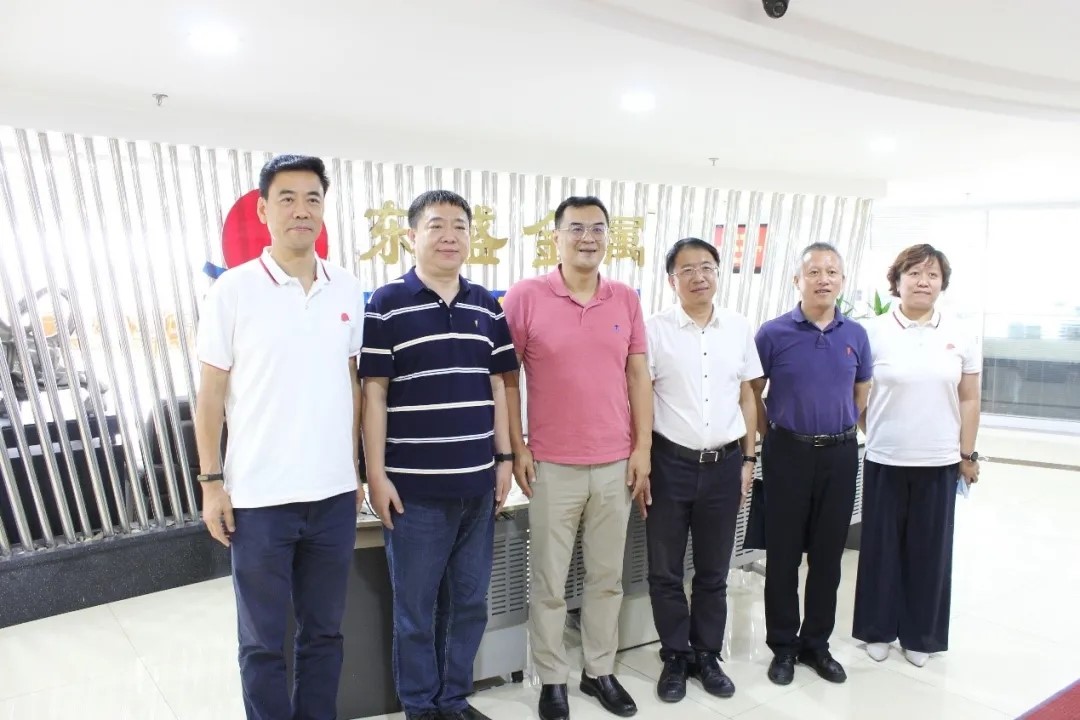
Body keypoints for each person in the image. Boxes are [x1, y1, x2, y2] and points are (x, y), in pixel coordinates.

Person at [194, 154, 366, 720]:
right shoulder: (233, 290)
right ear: (264, 210)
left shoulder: (346, 288)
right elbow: (210, 394)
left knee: (324, 635)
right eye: (287, 198)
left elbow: (351, 384)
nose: (301, 210)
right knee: (263, 643)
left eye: (313, 198)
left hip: (333, 497)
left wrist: (355, 470)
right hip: (259, 500)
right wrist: (212, 483)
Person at [360, 189, 518, 720]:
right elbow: (374, 394)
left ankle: (453, 699)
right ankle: (420, 706)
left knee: (469, 603)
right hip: (414, 493)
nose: (449, 236)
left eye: (459, 226)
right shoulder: (386, 304)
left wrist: (503, 460)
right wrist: (375, 474)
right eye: (436, 225)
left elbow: (498, 385)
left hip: (478, 487)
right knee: (416, 610)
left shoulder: (486, 305)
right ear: (412, 236)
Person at [502, 195, 651, 720]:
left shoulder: (624, 298)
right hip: (551, 465)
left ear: (609, 236)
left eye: (598, 228)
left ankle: (599, 670)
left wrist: (642, 448)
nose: (588, 238)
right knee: (548, 581)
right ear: (556, 237)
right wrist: (517, 447)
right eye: (576, 228)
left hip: (615, 464)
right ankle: (551, 678)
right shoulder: (525, 296)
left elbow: (638, 376)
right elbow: (506, 378)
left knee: (606, 577)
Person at [645, 238, 762, 703]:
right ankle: (675, 655)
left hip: (725, 465)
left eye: (708, 267)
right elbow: (639, 397)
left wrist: (749, 459)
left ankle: (707, 654)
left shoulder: (738, 327)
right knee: (665, 571)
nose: (699, 276)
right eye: (688, 269)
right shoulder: (653, 330)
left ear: (718, 273)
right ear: (671, 280)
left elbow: (748, 396)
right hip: (668, 463)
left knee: (714, 570)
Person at [853, 244, 981, 668]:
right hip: (885, 458)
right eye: (914, 273)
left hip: (940, 460)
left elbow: (969, 398)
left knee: (930, 552)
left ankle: (921, 635)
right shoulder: (872, 332)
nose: (923, 282)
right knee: (880, 548)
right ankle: (876, 630)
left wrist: (967, 453)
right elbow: (859, 395)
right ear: (897, 280)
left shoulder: (961, 333)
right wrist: (876, 431)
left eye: (932, 275)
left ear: (942, 283)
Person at [751, 242, 871, 687]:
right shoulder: (773, 333)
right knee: (783, 555)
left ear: (842, 280)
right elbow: (752, 392)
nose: (824, 279)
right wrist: (769, 435)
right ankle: (783, 646)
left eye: (832, 272)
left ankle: (816, 644)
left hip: (840, 454)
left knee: (828, 556)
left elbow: (862, 392)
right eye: (814, 272)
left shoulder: (856, 334)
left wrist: (848, 431)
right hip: (787, 452)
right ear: (797, 280)